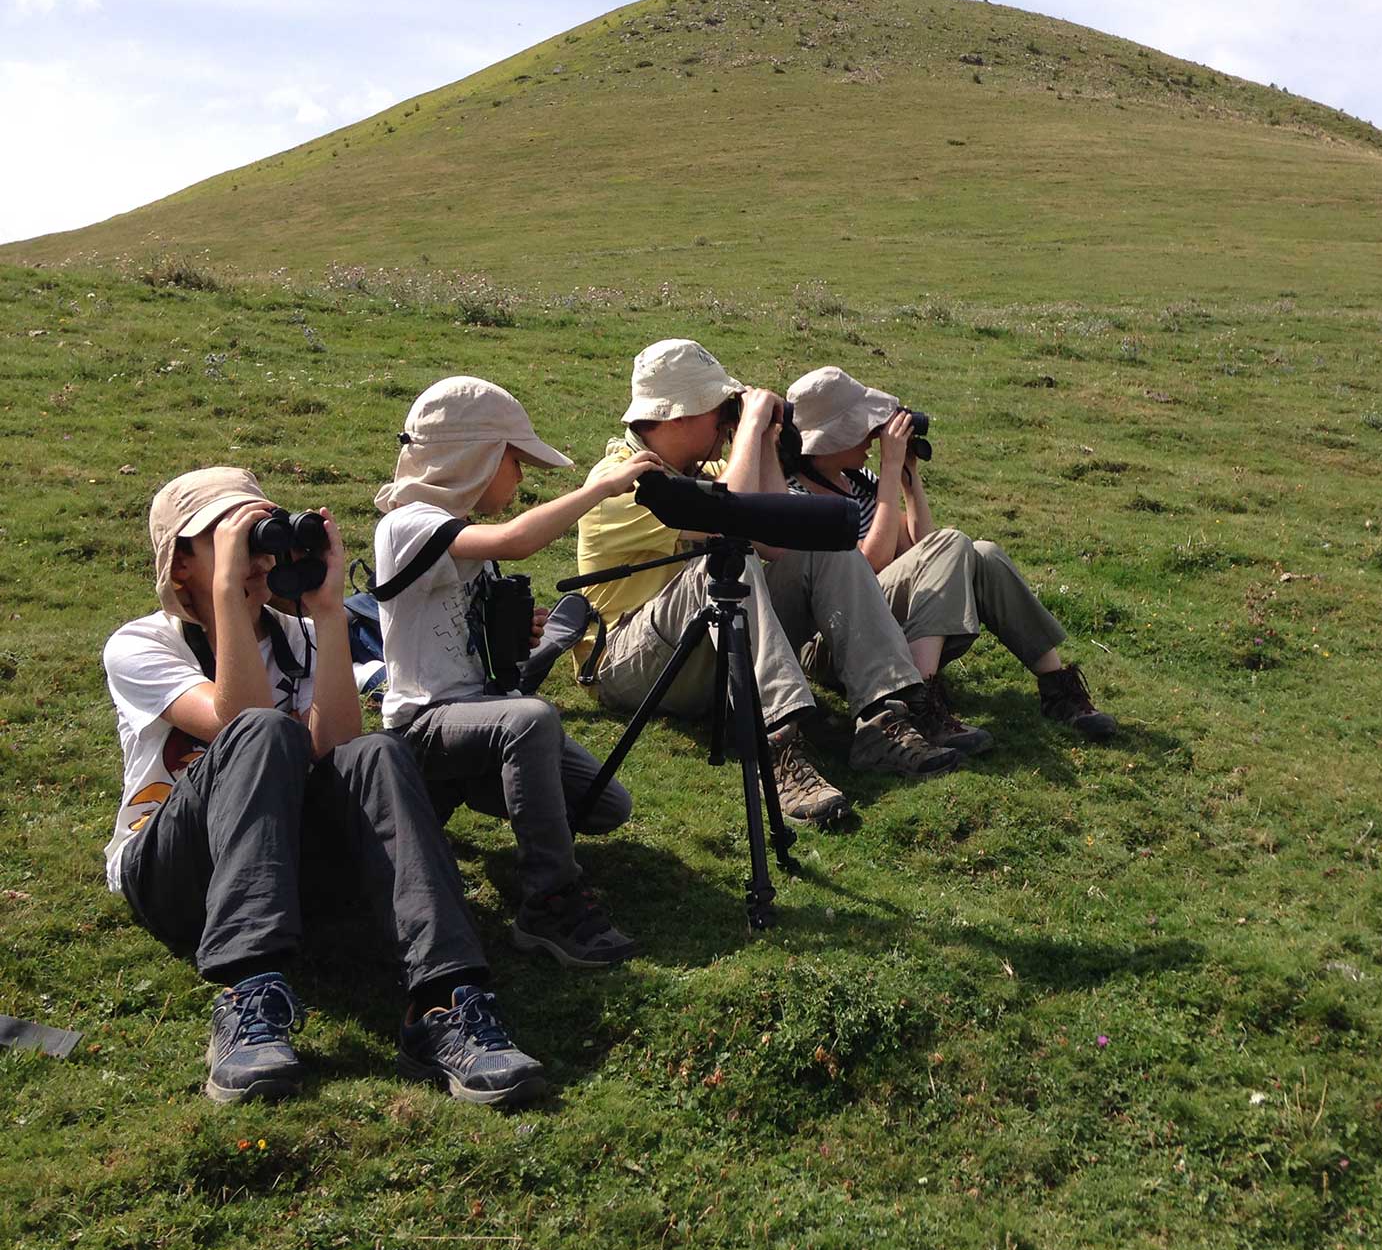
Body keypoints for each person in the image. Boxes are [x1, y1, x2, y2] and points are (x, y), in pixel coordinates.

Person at [103, 466, 546, 1106]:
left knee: (376, 752)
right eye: (228, 540)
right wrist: (230, 595)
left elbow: (337, 747)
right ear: (180, 568)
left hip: (283, 868)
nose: (256, 557)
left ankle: (445, 1001)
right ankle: (249, 992)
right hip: (174, 876)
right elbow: (237, 726)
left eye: (263, 536)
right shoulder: (141, 644)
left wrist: (329, 610)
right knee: (264, 732)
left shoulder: (302, 638)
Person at [574, 339, 961, 826]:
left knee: (826, 548)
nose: (726, 421)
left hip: (702, 657)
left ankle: (884, 718)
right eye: (719, 409)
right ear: (676, 417)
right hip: (627, 668)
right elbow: (727, 520)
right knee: (724, 561)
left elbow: (779, 539)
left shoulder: (711, 469)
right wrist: (751, 426)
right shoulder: (620, 482)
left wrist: (766, 443)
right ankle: (776, 748)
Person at [374, 376, 655, 968]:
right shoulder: (407, 523)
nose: (521, 479)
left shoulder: (459, 533)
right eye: (515, 461)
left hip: (474, 721)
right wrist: (601, 488)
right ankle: (548, 902)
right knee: (530, 720)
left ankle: (459, 803)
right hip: (423, 727)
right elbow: (517, 540)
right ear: (475, 456)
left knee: (606, 806)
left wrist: (508, 633)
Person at [784, 365, 1118, 747]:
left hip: (884, 619)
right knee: (954, 543)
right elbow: (868, 564)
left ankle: (1058, 689)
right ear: (831, 438)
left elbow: (924, 551)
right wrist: (890, 470)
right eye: (860, 426)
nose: (871, 436)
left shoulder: (858, 482)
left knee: (984, 554)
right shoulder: (795, 496)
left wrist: (908, 477)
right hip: (836, 642)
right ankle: (920, 704)